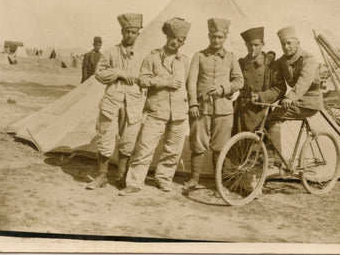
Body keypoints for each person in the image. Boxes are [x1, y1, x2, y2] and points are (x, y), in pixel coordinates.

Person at [119, 17, 191, 195]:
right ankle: (134, 182)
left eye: (180, 40)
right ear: (166, 37)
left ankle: (163, 178)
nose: (176, 42)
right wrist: (163, 82)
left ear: (184, 42)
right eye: (173, 38)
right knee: (144, 148)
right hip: (156, 110)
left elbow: (190, 85)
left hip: (179, 112)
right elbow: (142, 80)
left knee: (173, 149)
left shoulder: (185, 61)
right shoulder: (152, 57)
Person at [86, 13, 145, 190]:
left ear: (138, 34)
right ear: (122, 31)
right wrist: (118, 73)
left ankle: (121, 176)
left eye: (133, 32)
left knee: (128, 142)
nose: (130, 35)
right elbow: (99, 74)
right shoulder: (111, 52)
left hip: (133, 104)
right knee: (105, 140)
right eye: (127, 31)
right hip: (112, 103)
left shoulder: (143, 56)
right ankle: (102, 176)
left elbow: (148, 78)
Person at [184, 18, 244, 189]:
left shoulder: (231, 58)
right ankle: (194, 179)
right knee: (197, 144)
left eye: (220, 37)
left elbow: (239, 81)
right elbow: (191, 81)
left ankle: (219, 182)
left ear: (225, 37)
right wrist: (193, 104)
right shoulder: (199, 56)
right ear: (208, 36)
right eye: (213, 36)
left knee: (220, 147)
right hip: (201, 109)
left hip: (224, 109)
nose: (216, 40)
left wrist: (223, 89)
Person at [256, 26, 324, 162]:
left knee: (273, 118)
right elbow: (271, 67)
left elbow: (304, 81)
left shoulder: (308, 59)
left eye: (289, 43)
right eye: (283, 44)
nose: (286, 47)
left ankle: (276, 158)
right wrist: (269, 55)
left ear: (297, 42)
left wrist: (290, 97)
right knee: (268, 116)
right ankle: (271, 156)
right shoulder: (283, 60)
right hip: (296, 101)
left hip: (309, 103)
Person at [235, 27, 284, 134]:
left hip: (259, 110)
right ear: (246, 45)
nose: (253, 48)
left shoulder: (269, 65)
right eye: (250, 45)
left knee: (257, 145)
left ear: (263, 44)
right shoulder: (241, 63)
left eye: (256, 45)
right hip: (240, 110)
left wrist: (261, 96)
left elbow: (280, 88)